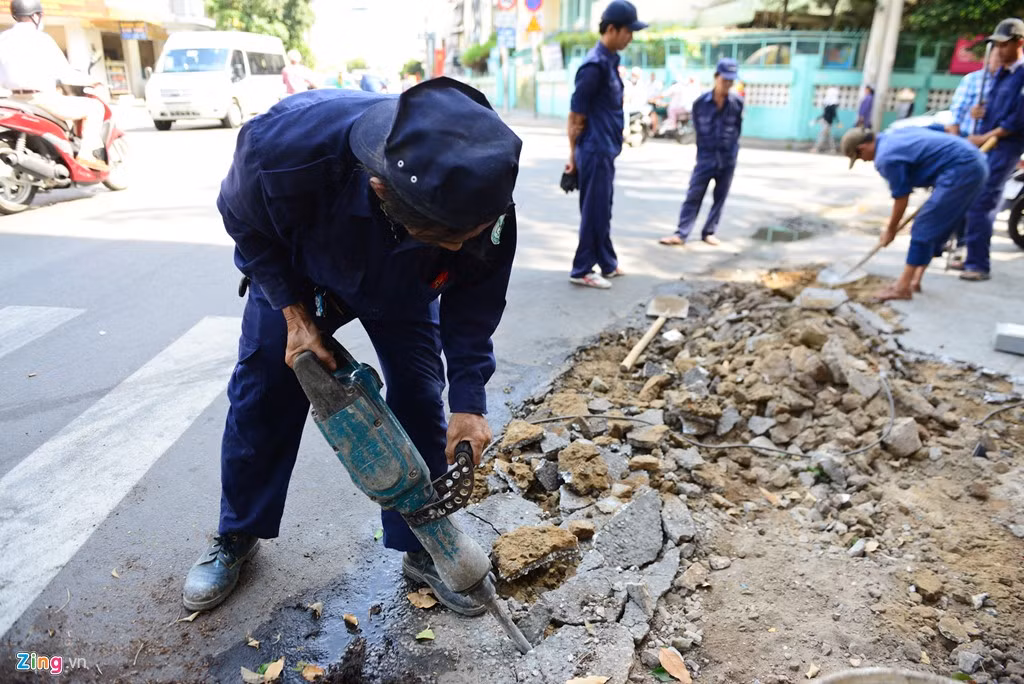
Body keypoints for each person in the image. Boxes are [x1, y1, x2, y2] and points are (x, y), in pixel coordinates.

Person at [181, 78, 522, 616]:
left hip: (408, 281)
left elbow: (474, 306)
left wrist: (470, 402)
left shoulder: (481, 195)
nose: (463, 248)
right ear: (382, 190)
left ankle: (422, 547)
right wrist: (294, 314)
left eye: (472, 233)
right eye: (449, 237)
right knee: (267, 387)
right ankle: (236, 533)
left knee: (418, 390)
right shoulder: (283, 150)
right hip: (304, 272)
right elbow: (241, 217)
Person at [841, 126, 988, 301]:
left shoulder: (886, 158)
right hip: (971, 163)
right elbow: (942, 128)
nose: (864, 161)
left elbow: (901, 198)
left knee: (924, 226)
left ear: (862, 147)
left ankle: (902, 287)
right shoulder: (894, 133)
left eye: (859, 157)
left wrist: (891, 229)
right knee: (936, 225)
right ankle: (915, 280)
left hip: (962, 170)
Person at [565, 0, 647, 289]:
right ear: (611, 29)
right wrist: (573, 156)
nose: (630, 37)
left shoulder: (611, 62)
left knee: (603, 206)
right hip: (594, 149)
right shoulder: (594, 67)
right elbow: (576, 116)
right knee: (594, 209)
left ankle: (607, 262)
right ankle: (582, 269)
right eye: (628, 31)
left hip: (605, 148)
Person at [0, 0, 107, 170]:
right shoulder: (41, 39)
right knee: (94, 107)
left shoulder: (3, 39)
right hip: (40, 99)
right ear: (35, 15)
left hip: (12, 100)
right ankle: (87, 155)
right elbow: (64, 73)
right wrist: (92, 81)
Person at [959, 18, 1024, 281]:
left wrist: (986, 136)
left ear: (1019, 43)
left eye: (1004, 44)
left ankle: (977, 263)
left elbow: (1016, 120)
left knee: (982, 200)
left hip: (1004, 146)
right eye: (996, 45)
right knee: (973, 197)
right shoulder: (1002, 73)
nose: (998, 49)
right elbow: (993, 110)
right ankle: (970, 256)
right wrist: (979, 114)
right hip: (988, 142)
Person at [659, 58, 743, 247]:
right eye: (724, 79)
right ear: (716, 77)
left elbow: (737, 129)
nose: (727, 84)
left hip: (727, 158)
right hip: (706, 158)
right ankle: (681, 233)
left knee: (720, 197)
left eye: (731, 80)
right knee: (694, 195)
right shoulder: (701, 103)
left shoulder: (737, 103)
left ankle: (709, 231)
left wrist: (731, 152)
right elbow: (698, 128)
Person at [947, 48, 1000, 137]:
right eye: (998, 56)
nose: (1002, 61)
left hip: (995, 139)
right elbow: (958, 109)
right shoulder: (973, 79)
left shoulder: (1014, 81)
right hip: (967, 135)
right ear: (987, 58)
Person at [812, 86, 841, 154]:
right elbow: (825, 114)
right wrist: (816, 119)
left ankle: (816, 148)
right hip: (826, 122)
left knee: (822, 135)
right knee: (829, 136)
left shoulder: (831, 105)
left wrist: (838, 122)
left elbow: (833, 114)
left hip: (827, 123)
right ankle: (832, 149)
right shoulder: (829, 105)